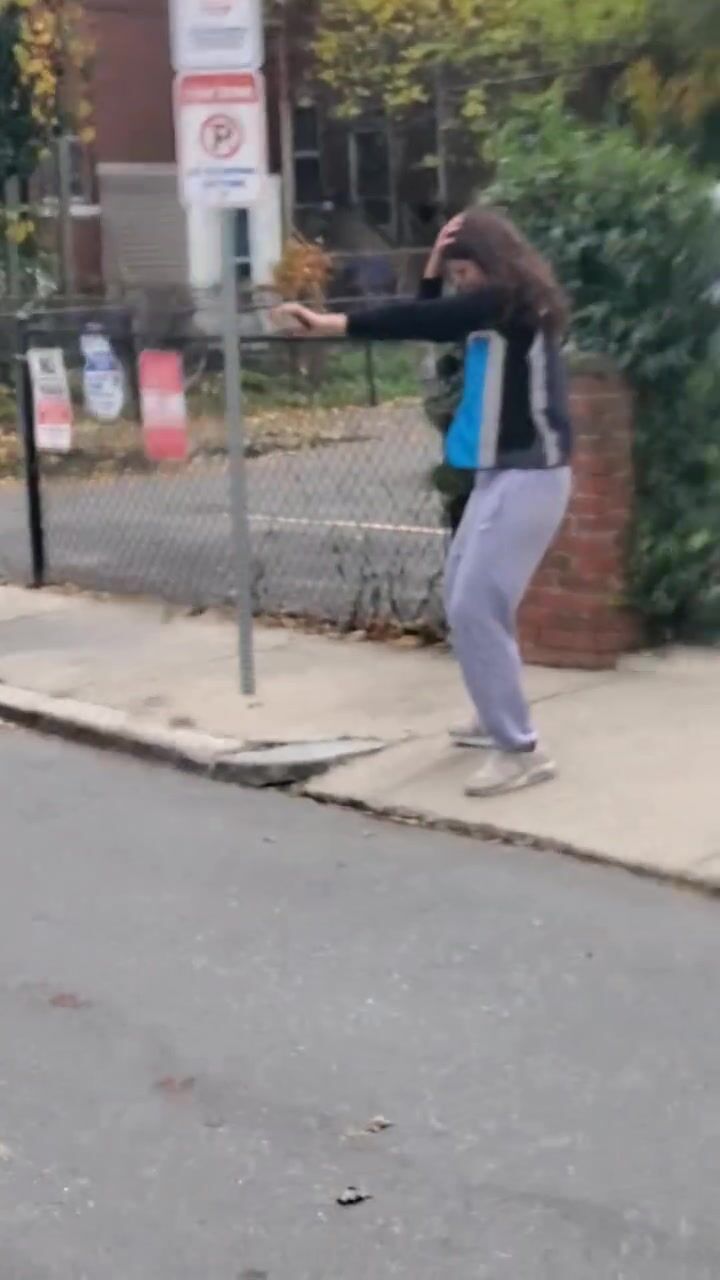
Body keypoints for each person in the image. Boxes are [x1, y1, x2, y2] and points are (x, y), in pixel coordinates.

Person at [274, 207, 573, 797]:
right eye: (456, 277)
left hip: (532, 474)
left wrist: (328, 323)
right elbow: (431, 318)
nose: (461, 286)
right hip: (500, 473)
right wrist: (434, 267)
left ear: (490, 264)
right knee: (466, 595)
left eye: (465, 273)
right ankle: (493, 717)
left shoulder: (511, 304)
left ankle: (520, 751)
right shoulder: (499, 304)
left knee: (474, 604)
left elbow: (421, 317)